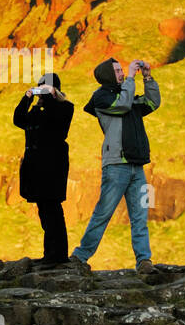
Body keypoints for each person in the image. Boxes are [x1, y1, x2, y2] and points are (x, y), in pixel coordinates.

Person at [69, 56, 161, 274]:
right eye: (118, 70)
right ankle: (79, 256)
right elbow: (123, 104)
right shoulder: (101, 98)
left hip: (136, 165)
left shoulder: (127, 95)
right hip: (116, 166)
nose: (122, 73)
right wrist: (131, 77)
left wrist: (148, 79)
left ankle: (144, 261)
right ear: (109, 75)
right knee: (104, 213)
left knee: (140, 216)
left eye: (123, 70)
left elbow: (152, 103)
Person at [12, 71, 74, 267]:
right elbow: (18, 119)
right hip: (36, 168)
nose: (42, 93)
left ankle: (58, 256)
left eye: (45, 88)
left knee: (53, 210)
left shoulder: (65, 108)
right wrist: (27, 98)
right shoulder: (36, 111)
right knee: (45, 212)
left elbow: (57, 120)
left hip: (52, 168)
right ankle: (50, 254)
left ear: (55, 90)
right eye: (40, 88)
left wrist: (49, 97)